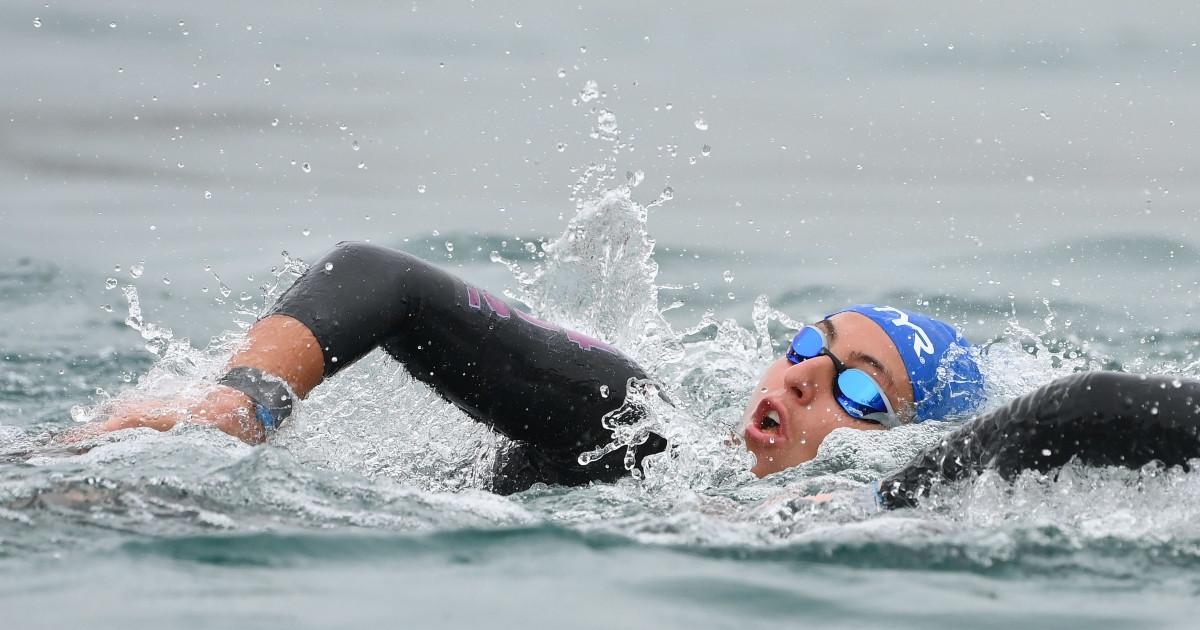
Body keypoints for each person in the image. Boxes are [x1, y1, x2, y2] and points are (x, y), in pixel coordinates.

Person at [81, 242, 1200, 506]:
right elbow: (384, 278)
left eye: (864, 392)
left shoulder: (900, 506)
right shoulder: (636, 436)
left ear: (910, 442)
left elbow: (1088, 410)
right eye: (815, 345)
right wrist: (242, 401)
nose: (809, 380)